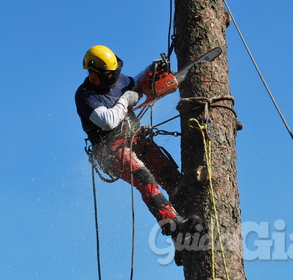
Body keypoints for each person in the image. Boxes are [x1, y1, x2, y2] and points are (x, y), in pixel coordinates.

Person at [75, 45, 200, 238]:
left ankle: (186, 221)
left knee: (169, 174)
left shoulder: (118, 81)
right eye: (107, 75)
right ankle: (173, 225)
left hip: (135, 138)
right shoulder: (85, 95)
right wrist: (125, 100)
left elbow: (136, 82)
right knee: (143, 177)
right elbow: (107, 121)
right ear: (94, 73)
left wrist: (152, 69)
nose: (113, 79)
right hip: (111, 150)